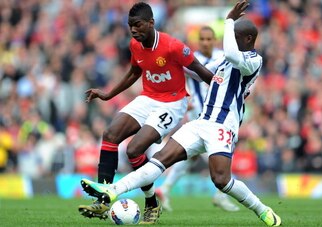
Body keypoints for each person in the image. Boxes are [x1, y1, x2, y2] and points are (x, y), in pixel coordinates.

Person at [80, 1, 282, 226]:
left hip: (223, 126)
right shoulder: (225, 59)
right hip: (201, 121)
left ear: (247, 40)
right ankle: (113, 190)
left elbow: (233, 56)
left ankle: (262, 209)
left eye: (233, 37)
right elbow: (200, 67)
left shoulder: (253, 60)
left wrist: (228, 21)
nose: (227, 42)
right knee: (159, 161)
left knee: (221, 180)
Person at [77, 2, 214, 224]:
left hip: (172, 104)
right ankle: (103, 199)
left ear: (151, 23)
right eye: (130, 25)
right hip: (148, 98)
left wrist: (228, 92)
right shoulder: (135, 45)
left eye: (138, 25)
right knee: (110, 134)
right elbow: (134, 72)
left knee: (134, 149)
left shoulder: (172, 46)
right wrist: (108, 94)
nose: (133, 30)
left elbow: (201, 71)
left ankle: (150, 201)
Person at [155, 26, 240, 212]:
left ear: (215, 40)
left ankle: (165, 189)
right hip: (200, 115)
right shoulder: (191, 59)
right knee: (222, 154)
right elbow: (177, 78)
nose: (206, 42)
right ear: (198, 41)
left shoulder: (223, 56)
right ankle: (221, 195)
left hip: (220, 114)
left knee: (190, 157)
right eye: (203, 39)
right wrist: (184, 97)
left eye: (209, 39)